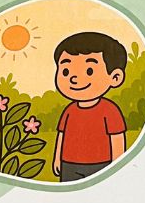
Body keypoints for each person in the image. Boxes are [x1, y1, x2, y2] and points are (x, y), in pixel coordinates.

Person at [52, 31, 128, 182]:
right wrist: (57, 158)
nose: (74, 78)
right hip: (69, 164)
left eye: (89, 71)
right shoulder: (69, 110)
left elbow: (117, 139)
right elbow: (61, 135)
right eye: (66, 71)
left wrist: (118, 165)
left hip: (101, 164)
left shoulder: (109, 110)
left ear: (115, 77)